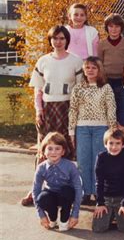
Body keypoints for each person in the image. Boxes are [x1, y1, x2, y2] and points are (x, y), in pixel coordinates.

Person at [22, 25, 83, 206]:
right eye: (55, 38)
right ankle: (36, 190)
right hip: (47, 110)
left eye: (62, 38)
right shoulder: (43, 61)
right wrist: (39, 110)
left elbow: (79, 90)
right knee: (45, 149)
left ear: (67, 40)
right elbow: (38, 90)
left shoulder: (76, 61)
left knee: (67, 149)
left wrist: (76, 112)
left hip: (68, 108)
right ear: (50, 40)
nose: (58, 42)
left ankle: (66, 191)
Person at [69, 56, 117, 205]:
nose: (90, 70)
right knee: (83, 161)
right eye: (87, 67)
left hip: (101, 128)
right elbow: (73, 109)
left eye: (94, 68)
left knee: (98, 161)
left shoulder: (106, 88)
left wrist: (113, 128)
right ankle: (85, 192)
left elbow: (111, 108)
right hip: (82, 128)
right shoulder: (78, 88)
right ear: (84, 69)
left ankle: (97, 192)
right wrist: (71, 131)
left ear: (99, 70)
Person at [32, 132, 82, 232]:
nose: (53, 152)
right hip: (51, 194)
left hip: (66, 195)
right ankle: (53, 217)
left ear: (63, 151)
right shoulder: (41, 168)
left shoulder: (70, 166)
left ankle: (64, 220)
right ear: (44, 151)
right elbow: (35, 191)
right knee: (42, 197)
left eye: (57, 149)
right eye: (50, 149)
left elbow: (78, 189)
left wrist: (75, 214)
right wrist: (41, 215)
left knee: (66, 190)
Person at [92, 129, 124, 233]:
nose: (114, 147)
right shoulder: (101, 157)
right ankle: (110, 215)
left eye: (118, 143)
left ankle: (116, 214)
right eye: (111, 143)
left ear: (123, 145)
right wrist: (100, 202)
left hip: (121, 197)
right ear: (105, 144)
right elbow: (99, 182)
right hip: (106, 197)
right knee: (98, 229)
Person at [98, 13, 124, 89]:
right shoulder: (102, 43)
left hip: (123, 79)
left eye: (117, 26)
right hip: (106, 79)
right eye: (111, 26)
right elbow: (99, 63)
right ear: (107, 28)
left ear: (121, 28)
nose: (114, 29)